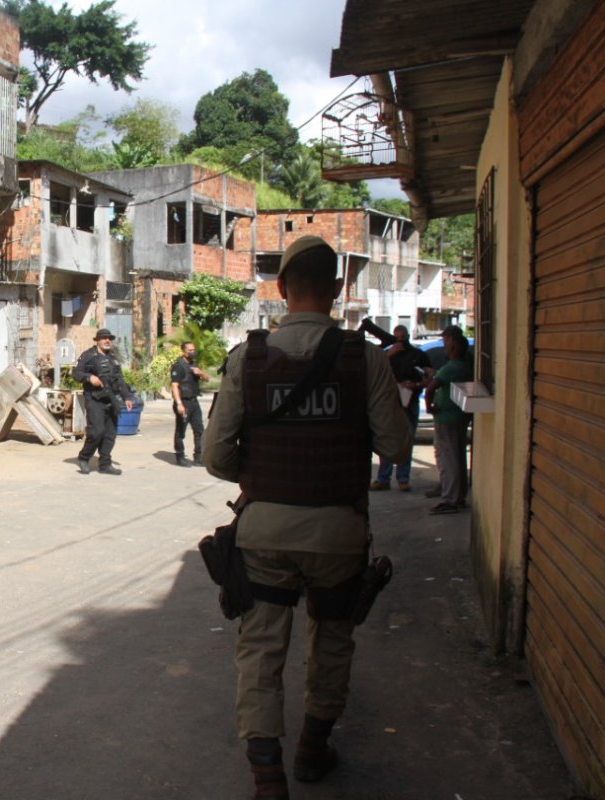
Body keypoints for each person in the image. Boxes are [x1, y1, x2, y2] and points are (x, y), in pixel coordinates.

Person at [203, 236, 410, 800]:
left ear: (280, 290)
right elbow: (394, 448)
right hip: (339, 534)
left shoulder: (250, 356)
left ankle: (268, 780)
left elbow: (216, 458)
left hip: (265, 533)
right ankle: (313, 751)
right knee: (333, 641)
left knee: (261, 652)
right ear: (339, 290)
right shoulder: (363, 357)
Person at [368, 325, 431, 491]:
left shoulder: (419, 355)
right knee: (387, 439)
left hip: (410, 402)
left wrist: (415, 384)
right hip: (390, 402)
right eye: (397, 338)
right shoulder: (388, 355)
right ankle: (383, 478)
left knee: (407, 440)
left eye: (403, 338)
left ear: (408, 336)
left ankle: (403, 478)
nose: (401, 341)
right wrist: (389, 353)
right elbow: (373, 368)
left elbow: (429, 377)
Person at [73, 328, 135, 475]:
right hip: (95, 399)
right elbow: (76, 373)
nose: (107, 340)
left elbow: (119, 380)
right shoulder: (89, 355)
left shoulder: (112, 358)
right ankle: (84, 457)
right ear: (97, 340)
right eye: (104, 338)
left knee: (110, 434)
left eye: (109, 338)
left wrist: (126, 397)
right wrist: (89, 378)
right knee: (96, 432)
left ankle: (105, 464)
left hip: (111, 399)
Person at [425, 333, 472, 514]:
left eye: (446, 343)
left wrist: (429, 407)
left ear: (452, 348)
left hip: (446, 417)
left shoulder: (451, 368)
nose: (444, 347)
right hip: (459, 416)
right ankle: (457, 496)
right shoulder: (464, 366)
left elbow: (430, 389)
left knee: (448, 459)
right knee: (457, 456)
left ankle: (450, 499)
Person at [170, 340, 207, 467]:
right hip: (183, 402)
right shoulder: (178, 366)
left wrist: (200, 373)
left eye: (193, 350)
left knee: (199, 430)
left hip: (194, 401)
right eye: (189, 350)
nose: (192, 352)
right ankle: (180, 456)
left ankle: (198, 457)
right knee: (181, 431)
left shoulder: (194, 364)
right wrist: (179, 403)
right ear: (183, 351)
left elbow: (207, 379)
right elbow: (174, 386)